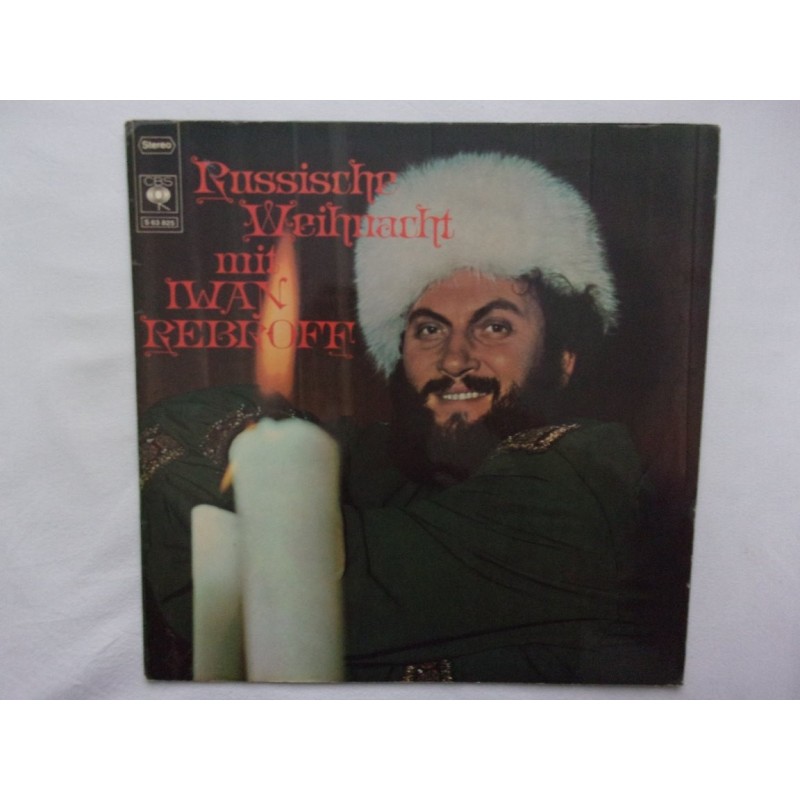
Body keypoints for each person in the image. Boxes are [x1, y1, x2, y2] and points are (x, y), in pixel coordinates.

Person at [139, 152, 681, 683]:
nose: (454, 359)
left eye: (495, 327)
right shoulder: (392, 464)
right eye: (429, 329)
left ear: (564, 360)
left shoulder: (583, 481)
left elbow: (292, 588)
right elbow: (180, 422)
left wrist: (256, 483)